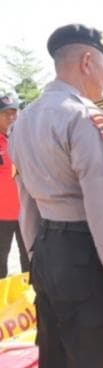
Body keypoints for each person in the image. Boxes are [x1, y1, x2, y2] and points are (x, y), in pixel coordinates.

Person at [9, 24, 103, 368]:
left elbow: (25, 200)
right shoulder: (85, 117)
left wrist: (35, 254)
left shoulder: (24, 119)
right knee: (100, 363)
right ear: (88, 62)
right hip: (86, 255)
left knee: (56, 361)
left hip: (46, 252)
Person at [0, 95, 28, 277]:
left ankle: (31, 300)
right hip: (2, 215)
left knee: (30, 259)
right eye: (5, 114)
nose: (11, 117)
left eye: (14, 113)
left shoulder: (23, 140)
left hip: (26, 213)